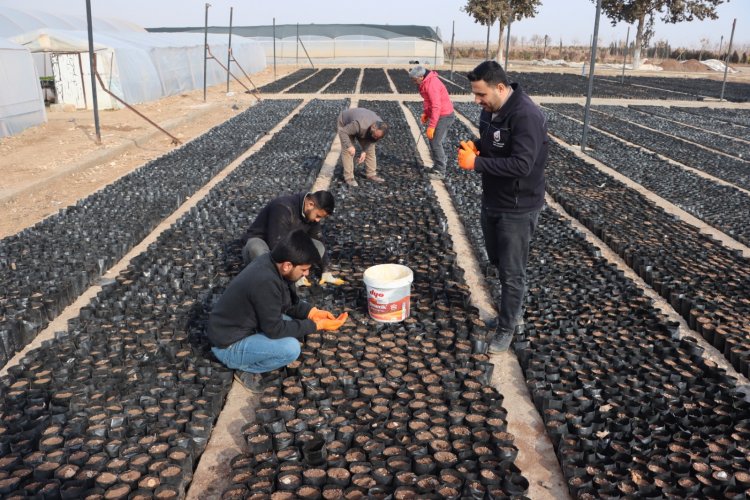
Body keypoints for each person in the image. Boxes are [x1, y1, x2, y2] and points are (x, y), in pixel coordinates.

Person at [458, 60, 548, 353]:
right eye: (475, 94)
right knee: (496, 261)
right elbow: (493, 145)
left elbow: (522, 164)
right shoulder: (491, 111)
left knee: (512, 271)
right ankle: (513, 311)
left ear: (499, 88)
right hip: (493, 200)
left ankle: (508, 326)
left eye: (481, 94)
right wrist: (475, 146)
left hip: (518, 206)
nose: (477, 100)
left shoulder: (525, 115)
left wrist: (477, 163)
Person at [208, 230, 348, 392]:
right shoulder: (265, 282)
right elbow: (275, 330)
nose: (307, 274)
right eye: (304, 269)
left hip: (238, 328)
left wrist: (312, 313)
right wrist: (316, 325)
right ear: (287, 265)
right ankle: (245, 368)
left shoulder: (271, 263)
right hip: (227, 345)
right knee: (290, 349)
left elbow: (287, 304)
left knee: (291, 322)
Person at [242, 190, 344, 286]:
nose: (318, 220)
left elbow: (318, 239)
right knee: (256, 249)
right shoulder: (283, 207)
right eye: (318, 216)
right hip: (264, 242)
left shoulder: (311, 215)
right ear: (310, 204)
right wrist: (295, 272)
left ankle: (283, 273)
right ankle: (272, 278)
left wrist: (326, 270)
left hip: (288, 243)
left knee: (318, 247)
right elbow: (276, 244)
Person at [409, 65, 455, 180]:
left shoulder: (431, 84)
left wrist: (432, 126)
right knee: (434, 141)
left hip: (444, 116)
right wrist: (426, 113)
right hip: (440, 115)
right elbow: (428, 101)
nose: (413, 82)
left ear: (420, 76)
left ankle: (440, 170)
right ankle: (436, 167)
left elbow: (436, 106)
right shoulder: (424, 82)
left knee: (435, 142)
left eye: (414, 79)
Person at [336, 108, 388, 187]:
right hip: (345, 124)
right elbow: (342, 132)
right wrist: (350, 146)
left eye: (377, 137)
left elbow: (372, 140)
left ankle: (371, 174)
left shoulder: (380, 128)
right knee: (348, 151)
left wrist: (364, 151)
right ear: (373, 128)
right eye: (375, 135)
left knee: (370, 150)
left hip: (362, 127)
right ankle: (349, 178)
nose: (375, 138)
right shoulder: (359, 125)